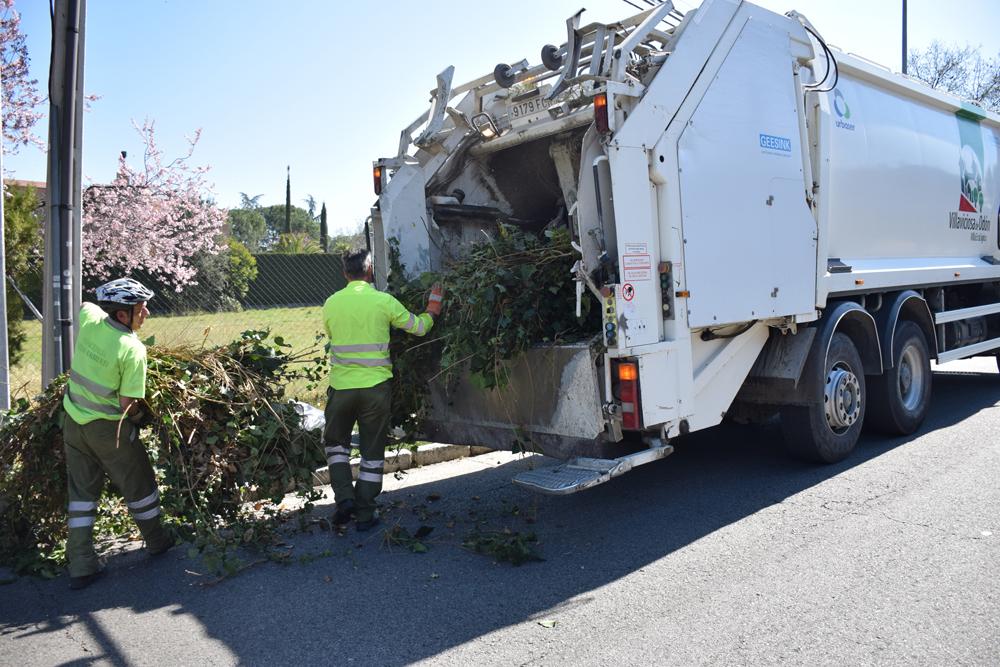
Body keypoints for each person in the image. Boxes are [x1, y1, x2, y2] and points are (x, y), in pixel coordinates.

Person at [62, 277, 173, 590]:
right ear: (123, 315)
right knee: (139, 483)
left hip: (72, 422)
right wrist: (142, 417)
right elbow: (127, 404)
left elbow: (85, 306)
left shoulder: (92, 322)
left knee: (82, 495)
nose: (146, 313)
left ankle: (81, 565)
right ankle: (157, 541)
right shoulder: (132, 349)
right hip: (108, 429)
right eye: (141, 308)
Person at [322, 249, 444, 531]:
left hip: (340, 389)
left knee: (335, 445)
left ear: (345, 274)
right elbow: (419, 328)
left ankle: (344, 500)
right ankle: (365, 514)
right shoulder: (383, 301)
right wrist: (432, 309)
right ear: (370, 271)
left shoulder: (331, 303)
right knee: (372, 451)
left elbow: (333, 337)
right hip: (376, 390)